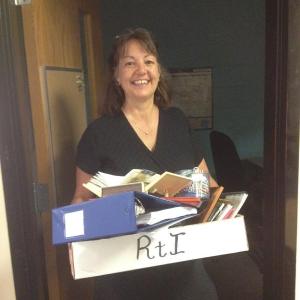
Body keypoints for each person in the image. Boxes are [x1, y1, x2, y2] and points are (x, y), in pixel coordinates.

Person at [72, 27, 218, 300]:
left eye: (148, 61)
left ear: (158, 71)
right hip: (123, 274)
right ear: (116, 75)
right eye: (129, 63)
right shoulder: (98, 133)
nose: (141, 70)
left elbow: (207, 185)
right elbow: (81, 199)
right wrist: (75, 242)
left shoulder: (177, 122)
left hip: (183, 267)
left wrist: (224, 210)